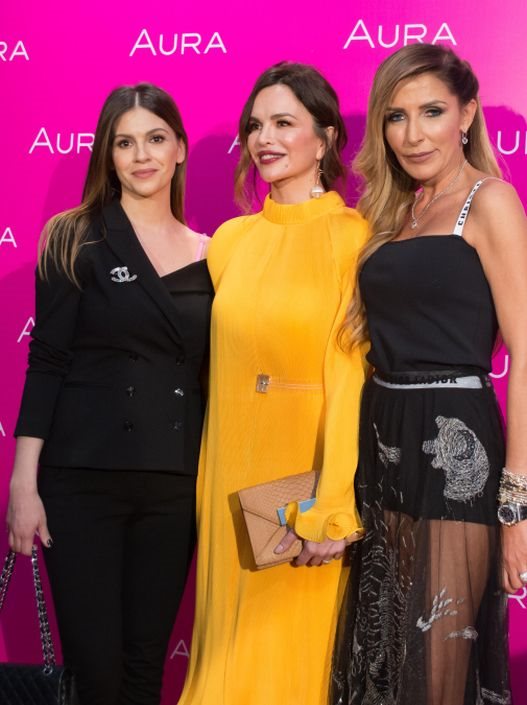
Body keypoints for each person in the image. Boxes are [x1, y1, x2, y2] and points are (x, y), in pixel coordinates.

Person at [330, 43, 527, 705]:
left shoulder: (489, 201)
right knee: (382, 659)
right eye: (396, 116)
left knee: (437, 666)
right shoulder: (393, 215)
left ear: (466, 114)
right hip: (382, 444)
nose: (412, 134)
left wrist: (515, 505)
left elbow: (526, 352)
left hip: (454, 449)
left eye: (432, 112)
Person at [7, 83, 212, 705]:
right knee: (95, 674)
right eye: (125, 143)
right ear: (108, 154)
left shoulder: (215, 254)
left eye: (155, 139)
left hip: (173, 484)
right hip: (82, 483)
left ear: (179, 148)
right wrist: (23, 484)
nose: (141, 155)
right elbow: (47, 361)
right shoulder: (74, 237)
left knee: (146, 668)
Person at [176, 62, 369, 705]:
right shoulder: (230, 242)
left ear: (326, 136)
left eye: (284, 122)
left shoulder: (355, 238)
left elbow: (351, 378)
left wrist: (332, 509)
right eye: (256, 125)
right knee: (224, 660)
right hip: (227, 480)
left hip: (302, 493)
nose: (265, 138)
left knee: (292, 666)